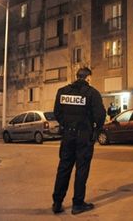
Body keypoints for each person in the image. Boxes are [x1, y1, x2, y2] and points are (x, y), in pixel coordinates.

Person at [52, 67, 106, 215]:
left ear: (77, 77)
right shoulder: (92, 93)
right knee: (81, 170)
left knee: (64, 168)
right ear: (88, 78)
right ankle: (77, 204)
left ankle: (57, 202)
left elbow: (57, 112)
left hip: (68, 135)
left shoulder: (62, 91)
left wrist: (67, 124)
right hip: (84, 136)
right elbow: (100, 115)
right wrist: (94, 129)